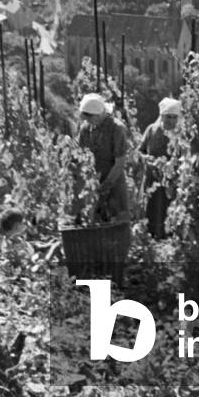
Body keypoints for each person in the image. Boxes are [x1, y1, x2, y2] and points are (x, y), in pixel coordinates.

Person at [77, 93, 130, 287]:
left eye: (89, 117)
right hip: (93, 184)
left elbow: (120, 162)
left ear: (99, 115)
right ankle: (98, 270)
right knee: (95, 222)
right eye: (84, 117)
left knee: (118, 220)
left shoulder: (117, 129)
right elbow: (80, 156)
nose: (86, 121)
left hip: (113, 181)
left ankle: (119, 271)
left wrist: (106, 186)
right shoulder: (85, 129)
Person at [138, 97, 181, 239]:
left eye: (175, 117)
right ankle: (152, 239)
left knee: (169, 212)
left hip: (172, 182)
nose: (172, 121)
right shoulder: (152, 130)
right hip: (152, 180)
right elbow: (140, 151)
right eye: (169, 117)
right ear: (162, 116)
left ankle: (168, 240)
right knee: (152, 209)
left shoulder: (180, 135)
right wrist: (146, 160)